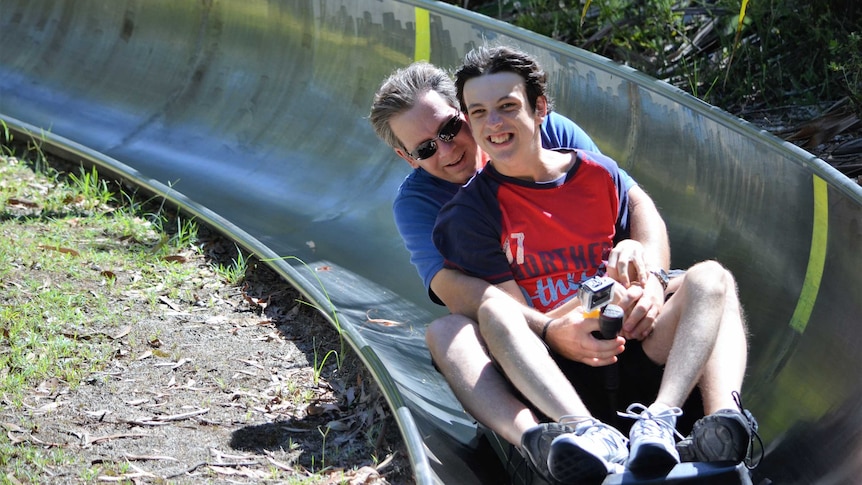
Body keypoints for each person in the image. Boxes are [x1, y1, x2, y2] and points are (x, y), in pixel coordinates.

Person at [430, 45, 758, 483]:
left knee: (713, 277)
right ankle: (580, 431)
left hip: (631, 345)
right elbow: (515, 319)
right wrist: (592, 298)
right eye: (479, 112)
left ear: (540, 108)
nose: (494, 123)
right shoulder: (471, 212)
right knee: (486, 312)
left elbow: (643, 250)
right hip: (551, 365)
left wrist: (646, 279)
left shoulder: (598, 175)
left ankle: (691, 421)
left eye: (507, 107)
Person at [369, 61, 675, 483]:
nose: (447, 150)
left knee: (705, 282)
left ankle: (712, 417)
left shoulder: (545, 133)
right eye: (425, 149)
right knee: (446, 333)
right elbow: (458, 291)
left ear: (467, 112)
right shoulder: (426, 203)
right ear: (407, 158)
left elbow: (632, 201)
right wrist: (550, 330)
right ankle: (537, 438)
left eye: (448, 129)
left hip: (601, 308)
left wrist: (652, 271)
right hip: (527, 330)